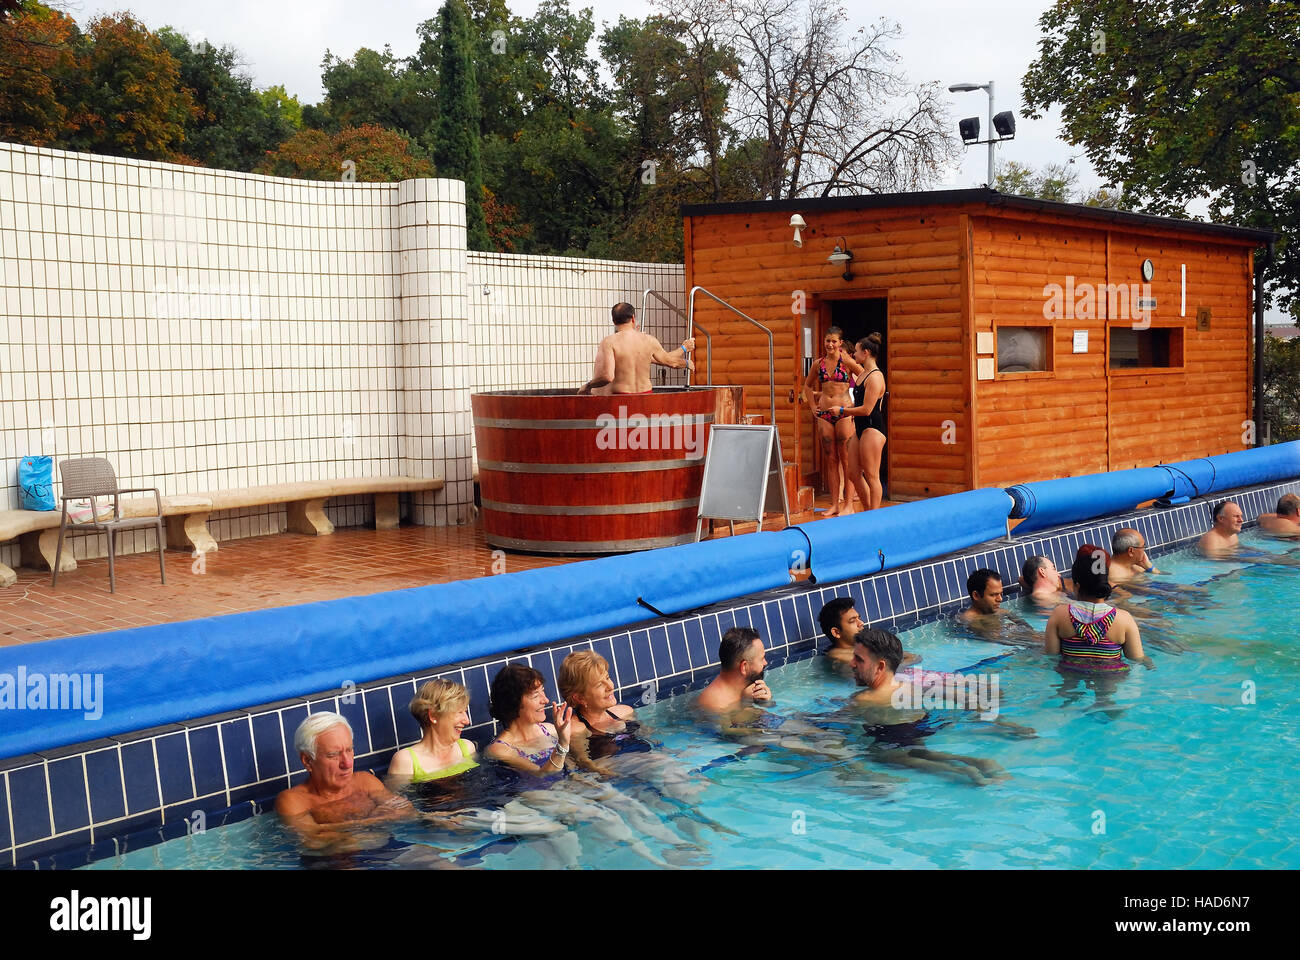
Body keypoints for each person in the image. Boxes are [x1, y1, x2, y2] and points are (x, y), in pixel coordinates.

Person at [848, 628, 1011, 786]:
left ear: (880, 666)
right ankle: (978, 761)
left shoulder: (861, 699)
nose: (852, 663)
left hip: (892, 732)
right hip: (920, 724)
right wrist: (1001, 722)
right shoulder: (909, 686)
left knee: (880, 755)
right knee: (921, 753)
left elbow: (841, 725)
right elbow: (962, 696)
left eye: (859, 659)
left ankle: (962, 772)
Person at [276, 712, 414, 842]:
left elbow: (406, 810)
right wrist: (374, 819)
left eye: (349, 750)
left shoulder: (365, 782)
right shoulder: (294, 801)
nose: (347, 763)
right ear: (307, 760)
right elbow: (314, 840)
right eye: (333, 755)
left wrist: (336, 829)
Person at [1045, 545, 1153, 673]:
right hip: (1111, 676)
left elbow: (1051, 657)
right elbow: (1137, 659)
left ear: (1077, 586)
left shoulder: (1059, 614)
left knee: (1067, 688)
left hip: (1072, 672)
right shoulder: (1124, 619)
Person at [799, 327, 864, 517]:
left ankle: (848, 505)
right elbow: (808, 386)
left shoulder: (846, 361)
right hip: (825, 413)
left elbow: (864, 377)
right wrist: (812, 406)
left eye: (834, 341)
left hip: (844, 412)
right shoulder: (818, 364)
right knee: (830, 459)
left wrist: (856, 405)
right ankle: (835, 504)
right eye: (828, 341)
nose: (830, 344)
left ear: (840, 343)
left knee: (846, 458)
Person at [558, 650, 652, 771]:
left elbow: (649, 736)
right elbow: (583, 763)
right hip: (614, 775)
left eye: (607, 678)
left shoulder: (625, 712)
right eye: (599, 685)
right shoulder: (576, 729)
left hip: (644, 761)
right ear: (580, 698)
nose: (610, 687)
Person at [577, 302, 694, 395]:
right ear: (633, 318)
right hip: (646, 395)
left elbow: (607, 376)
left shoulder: (608, 342)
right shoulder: (649, 340)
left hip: (622, 396)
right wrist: (686, 362)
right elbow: (669, 361)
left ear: (614, 321)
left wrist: (588, 385)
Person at [385, 679, 478, 786]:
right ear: (433, 715)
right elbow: (398, 801)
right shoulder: (406, 761)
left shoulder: (466, 748)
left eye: (465, 711)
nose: (467, 721)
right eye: (459, 712)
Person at [485, 664, 573, 775]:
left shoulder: (551, 730)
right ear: (514, 703)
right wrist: (563, 743)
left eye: (543, 691)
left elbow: (572, 768)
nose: (546, 700)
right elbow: (543, 775)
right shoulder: (500, 749)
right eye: (535, 696)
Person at [835, 333, 888, 511]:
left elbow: (867, 409)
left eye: (856, 351)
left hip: (872, 428)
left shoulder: (875, 377)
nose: (854, 355)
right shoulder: (864, 373)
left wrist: (842, 411)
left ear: (866, 353)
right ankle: (868, 511)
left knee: (872, 475)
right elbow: (858, 401)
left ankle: (875, 515)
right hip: (860, 427)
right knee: (852, 473)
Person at [818, 596, 920, 667]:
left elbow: (914, 657)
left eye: (859, 618)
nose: (861, 623)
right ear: (836, 632)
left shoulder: (863, 646)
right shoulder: (839, 657)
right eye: (853, 621)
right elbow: (878, 672)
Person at [697, 626, 772, 713]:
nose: (765, 663)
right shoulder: (717, 706)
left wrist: (762, 701)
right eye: (762, 658)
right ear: (744, 667)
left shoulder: (742, 693)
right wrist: (747, 703)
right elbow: (761, 725)